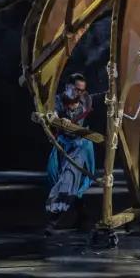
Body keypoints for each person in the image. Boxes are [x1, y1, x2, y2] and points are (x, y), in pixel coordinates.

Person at [45, 73, 96, 235]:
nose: (79, 93)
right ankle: (83, 217)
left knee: (70, 176)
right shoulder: (58, 100)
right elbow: (51, 115)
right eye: (76, 89)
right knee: (61, 178)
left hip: (80, 145)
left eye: (82, 90)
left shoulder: (85, 100)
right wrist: (59, 120)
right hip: (63, 145)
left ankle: (53, 221)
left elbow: (84, 111)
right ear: (68, 86)